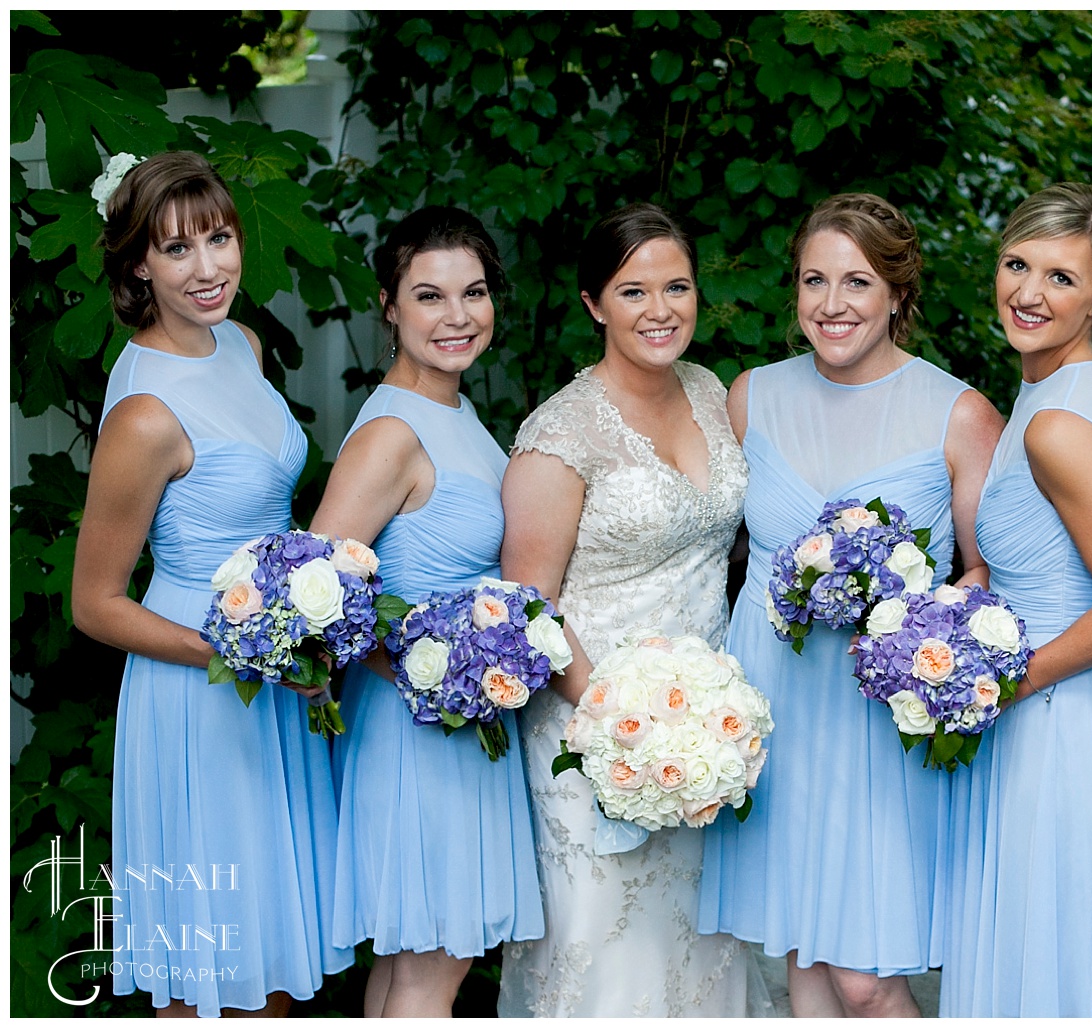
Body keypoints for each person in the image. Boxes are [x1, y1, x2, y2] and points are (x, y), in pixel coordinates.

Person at [698, 193, 1005, 1016]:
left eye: (858, 282)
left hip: (878, 716)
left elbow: (987, 576)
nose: (832, 305)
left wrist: (921, 634)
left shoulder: (961, 413)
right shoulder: (750, 396)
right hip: (775, 699)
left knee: (867, 976)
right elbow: (710, 543)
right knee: (804, 953)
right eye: (814, 280)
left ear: (899, 294)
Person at [73, 151, 352, 1015]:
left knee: (269, 954)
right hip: (201, 692)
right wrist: (238, 656)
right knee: (211, 961)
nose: (209, 269)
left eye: (220, 238)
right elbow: (94, 604)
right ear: (137, 266)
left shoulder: (243, 342)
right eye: (177, 249)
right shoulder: (145, 414)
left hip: (276, 674)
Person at [496, 203, 766, 1018]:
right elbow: (528, 610)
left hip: (709, 733)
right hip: (593, 735)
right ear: (592, 304)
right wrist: (627, 724)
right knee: (608, 954)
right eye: (633, 291)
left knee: (701, 948)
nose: (660, 311)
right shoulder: (561, 434)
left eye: (676, 287)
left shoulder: (711, 392)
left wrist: (702, 728)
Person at [934, 183, 1092, 1016]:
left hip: (1062, 724)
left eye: (1062, 278)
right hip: (1052, 707)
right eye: (1017, 264)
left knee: (1048, 968)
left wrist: (1005, 681)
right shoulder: (1067, 386)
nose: (1029, 293)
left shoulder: (1055, 425)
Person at [307, 207, 544, 1017]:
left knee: (416, 963)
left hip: (455, 720)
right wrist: (429, 669)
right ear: (389, 306)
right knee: (436, 963)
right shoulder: (391, 433)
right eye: (430, 296)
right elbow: (316, 597)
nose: (457, 316)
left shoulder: (457, 411)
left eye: (473, 293)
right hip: (420, 730)